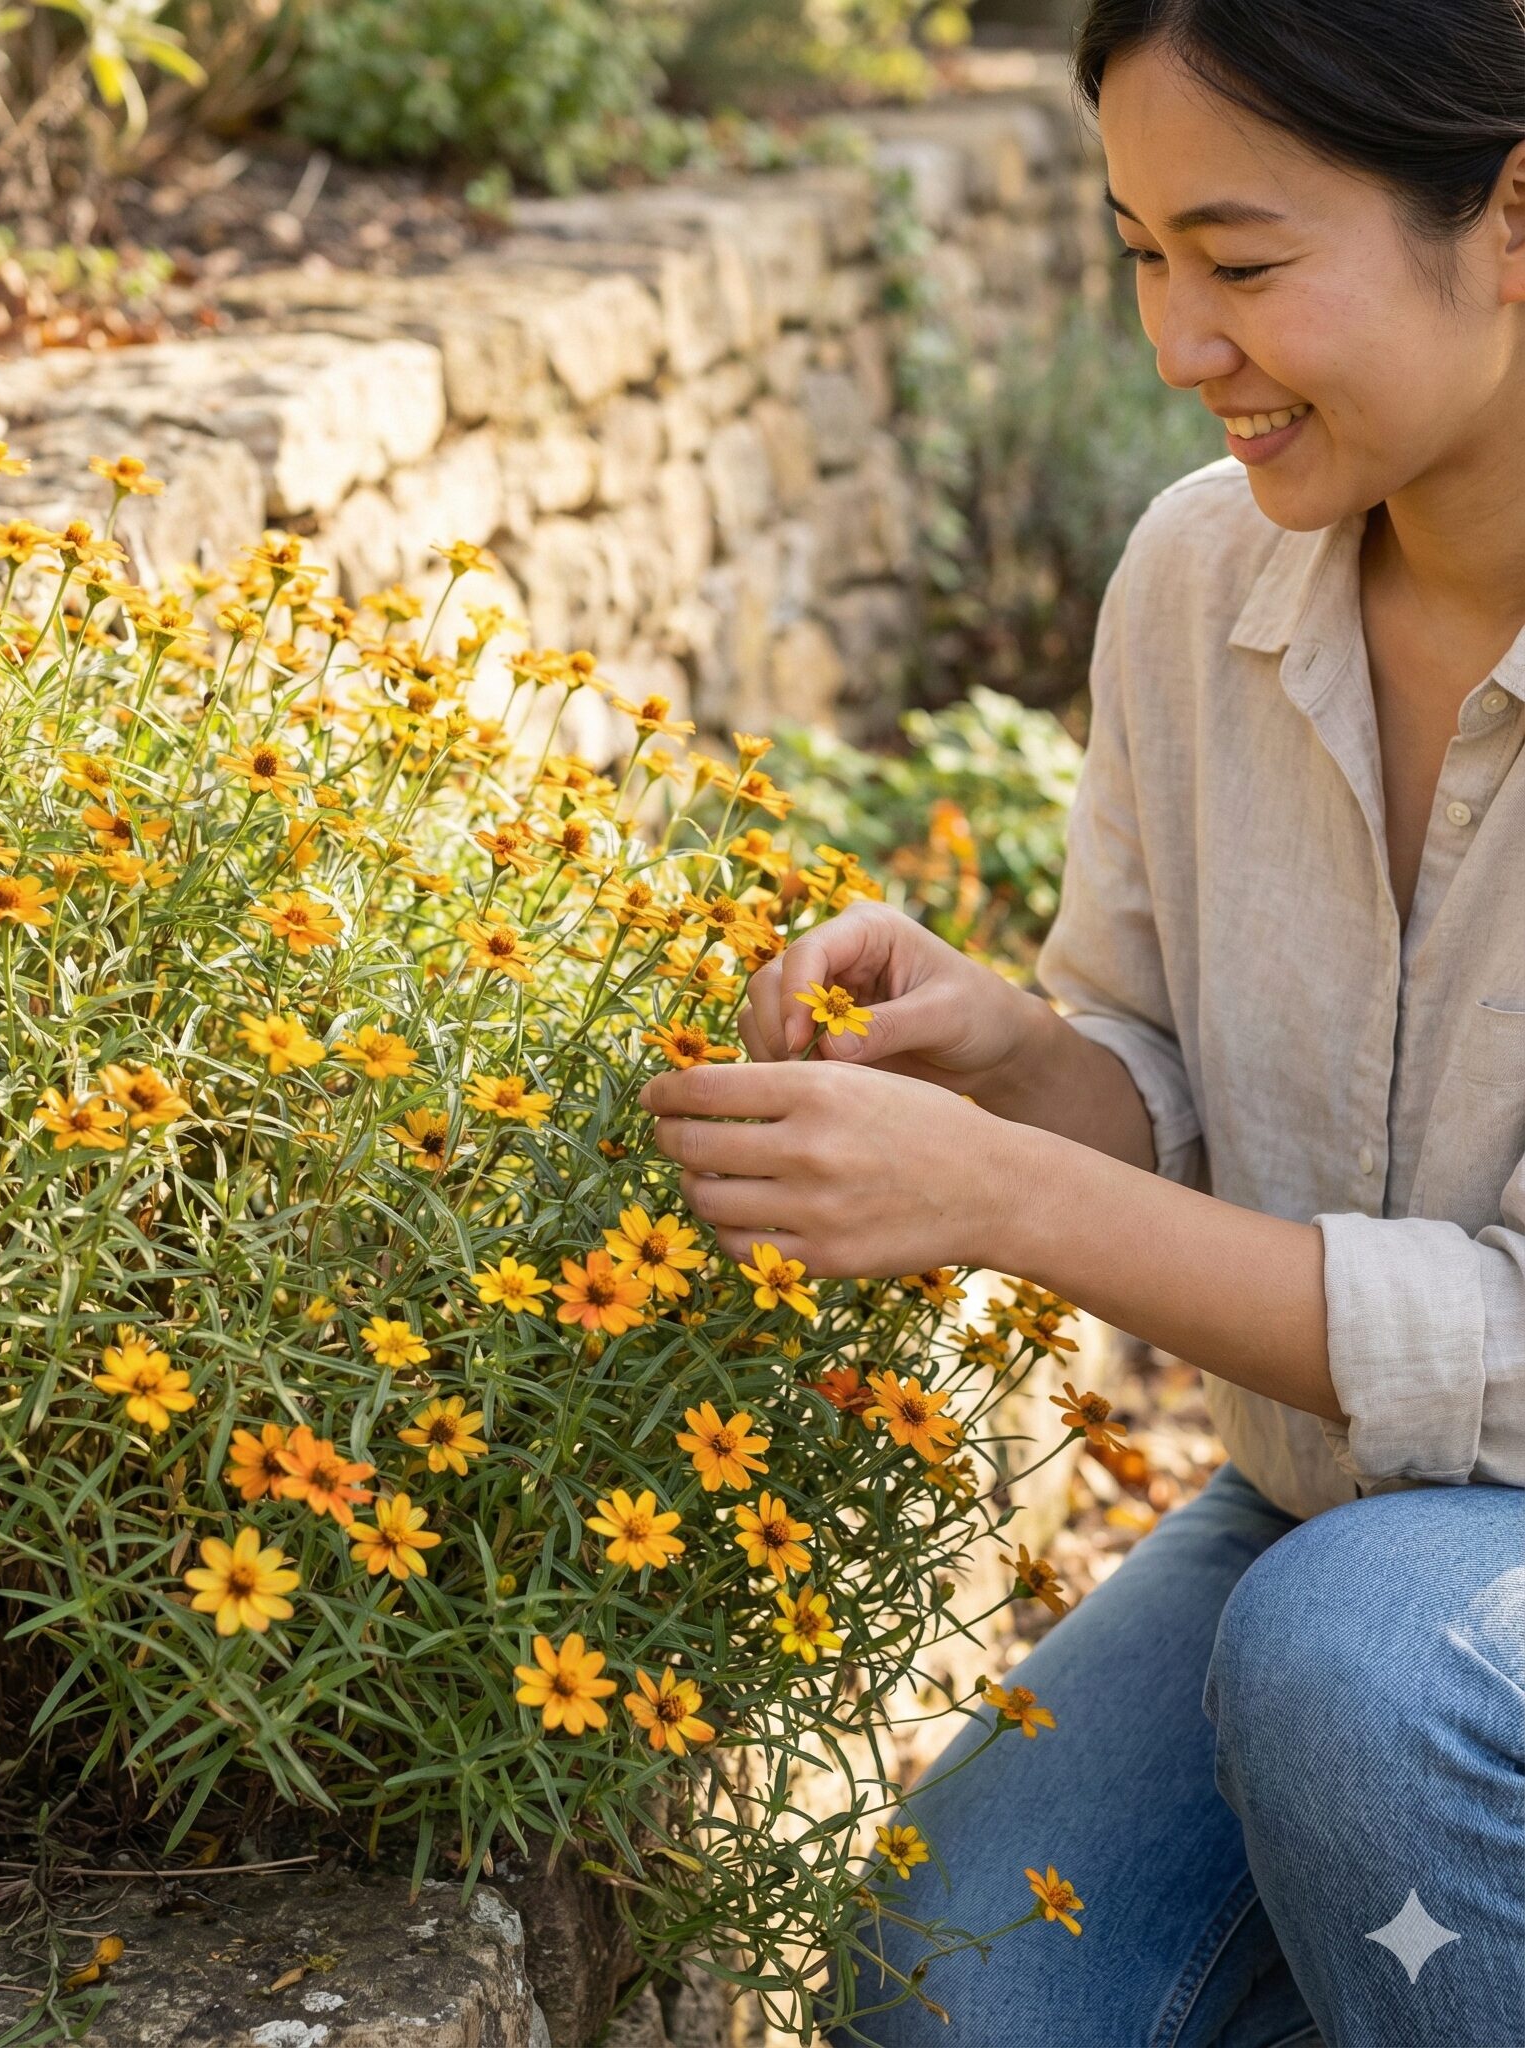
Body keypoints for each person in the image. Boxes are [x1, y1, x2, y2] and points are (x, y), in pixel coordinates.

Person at [639, 3, 1525, 2041]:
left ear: (1503, 217)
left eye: (1239, 261)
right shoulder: (1194, 579)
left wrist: (1005, 1202)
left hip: (1383, 1618)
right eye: (1137, 253)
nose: (1172, 344)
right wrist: (1009, 1066)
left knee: (1362, 1670)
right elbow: (1162, 1082)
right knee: (954, 1977)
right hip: (1328, 1518)